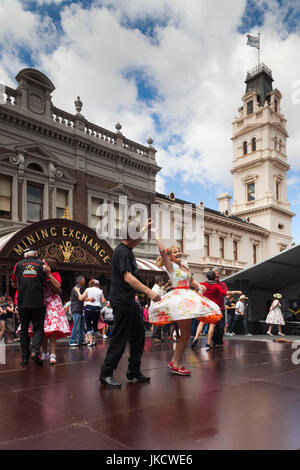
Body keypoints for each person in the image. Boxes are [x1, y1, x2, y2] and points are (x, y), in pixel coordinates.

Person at [149, 226, 222, 376]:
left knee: (186, 333)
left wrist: (199, 286)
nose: (178, 253)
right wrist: (156, 233)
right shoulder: (171, 267)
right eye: (175, 252)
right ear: (170, 257)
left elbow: (192, 281)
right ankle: (175, 363)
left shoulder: (185, 267)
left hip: (188, 297)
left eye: (179, 251)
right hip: (179, 299)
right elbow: (162, 251)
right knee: (186, 333)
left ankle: (175, 362)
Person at [100, 219, 161, 389]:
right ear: (132, 236)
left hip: (130, 301)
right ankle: (106, 373)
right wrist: (149, 292)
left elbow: (133, 234)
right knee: (119, 338)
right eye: (139, 236)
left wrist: (145, 227)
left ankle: (133, 370)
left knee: (139, 336)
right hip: (122, 301)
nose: (141, 239)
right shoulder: (122, 252)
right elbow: (128, 277)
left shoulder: (127, 249)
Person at [11, 248, 47, 367]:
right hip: (38, 301)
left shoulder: (18, 265)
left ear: (25, 256)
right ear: (36, 255)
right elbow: (47, 280)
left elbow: (13, 282)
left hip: (22, 302)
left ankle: (24, 358)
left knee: (24, 329)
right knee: (38, 327)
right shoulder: (42, 264)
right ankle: (35, 351)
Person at [41, 258, 70, 364]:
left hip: (53, 304)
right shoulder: (39, 274)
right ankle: (44, 353)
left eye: (44, 263)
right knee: (42, 331)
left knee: (53, 330)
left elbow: (58, 286)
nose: (42, 265)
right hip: (41, 303)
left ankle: (52, 355)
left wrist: (49, 275)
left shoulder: (55, 274)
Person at [191, 271, 228, 349]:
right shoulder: (216, 286)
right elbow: (223, 293)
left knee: (201, 322)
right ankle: (208, 342)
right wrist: (235, 292)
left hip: (205, 306)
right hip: (214, 307)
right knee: (211, 325)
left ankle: (196, 337)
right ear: (214, 277)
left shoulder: (204, 284)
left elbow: (196, 285)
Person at [211, 267, 242, 347]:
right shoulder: (209, 283)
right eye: (216, 273)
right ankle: (214, 341)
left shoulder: (222, 284)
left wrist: (233, 293)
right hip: (212, 309)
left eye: (218, 273)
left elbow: (227, 296)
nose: (217, 275)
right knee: (213, 326)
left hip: (221, 308)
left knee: (221, 326)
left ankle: (219, 341)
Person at [79, 279, 106, 346]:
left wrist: (78, 292)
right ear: (97, 284)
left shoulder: (88, 289)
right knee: (95, 325)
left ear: (90, 284)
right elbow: (103, 301)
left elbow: (81, 298)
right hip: (97, 309)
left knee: (88, 325)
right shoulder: (100, 291)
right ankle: (94, 341)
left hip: (88, 308)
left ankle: (90, 342)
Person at [69, 275, 86, 347]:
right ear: (80, 281)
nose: (85, 281)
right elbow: (80, 298)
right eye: (83, 280)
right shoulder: (77, 288)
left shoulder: (81, 288)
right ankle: (72, 341)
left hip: (80, 309)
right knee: (76, 325)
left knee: (81, 326)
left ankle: (80, 340)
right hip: (76, 309)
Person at [151, 277, 166, 342]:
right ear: (159, 281)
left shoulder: (158, 288)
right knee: (156, 322)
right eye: (162, 280)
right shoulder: (155, 288)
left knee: (159, 322)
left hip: (159, 307)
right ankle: (155, 336)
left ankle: (158, 336)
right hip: (156, 307)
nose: (163, 282)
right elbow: (157, 298)